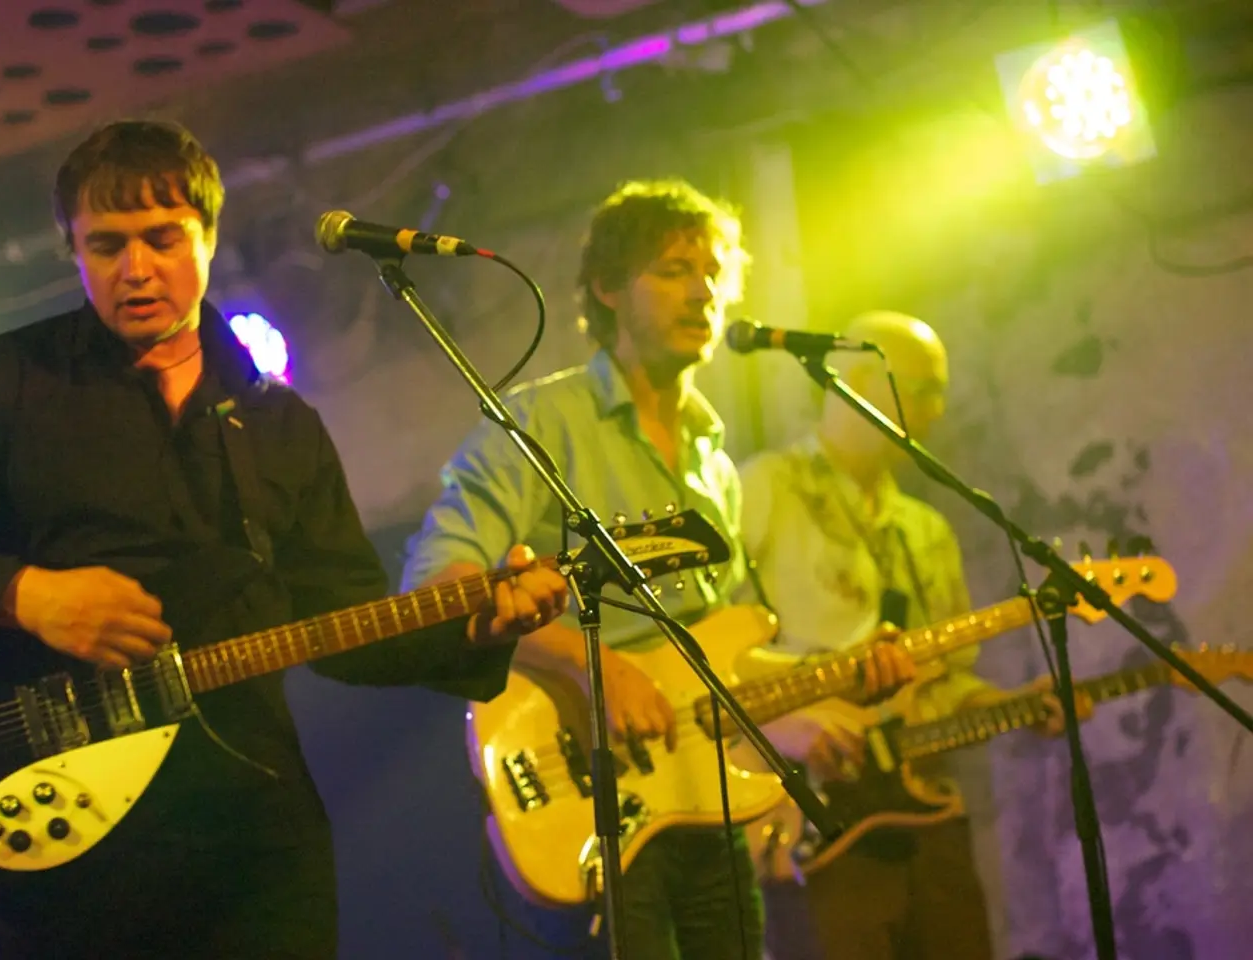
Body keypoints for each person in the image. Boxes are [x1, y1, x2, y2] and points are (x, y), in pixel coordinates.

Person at [0, 119, 569, 960]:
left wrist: (476, 625)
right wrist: (23, 593)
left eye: (161, 239)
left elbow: (347, 628)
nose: (135, 270)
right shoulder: (5, 383)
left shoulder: (276, 422)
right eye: (105, 245)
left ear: (209, 236)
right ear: (68, 248)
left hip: (252, 830)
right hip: (68, 834)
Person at [402, 180, 911, 958]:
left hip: (709, 807)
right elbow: (436, 590)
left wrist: (839, 677)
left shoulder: (717, 465)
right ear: (607, 287)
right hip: (588, 801)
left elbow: (719, 656)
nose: (701, 291)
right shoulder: (538, 424)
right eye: (673, 269)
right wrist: (591, 665)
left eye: (712, 272)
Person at [741, 310, 1089, 960]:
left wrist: (1011, 705)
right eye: (922, 389)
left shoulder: (925, 528)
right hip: (812, 816)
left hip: (923, 816)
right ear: (864, 380)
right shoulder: (765, 487)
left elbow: (946, 681)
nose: (935, 410)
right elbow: (712, 650)